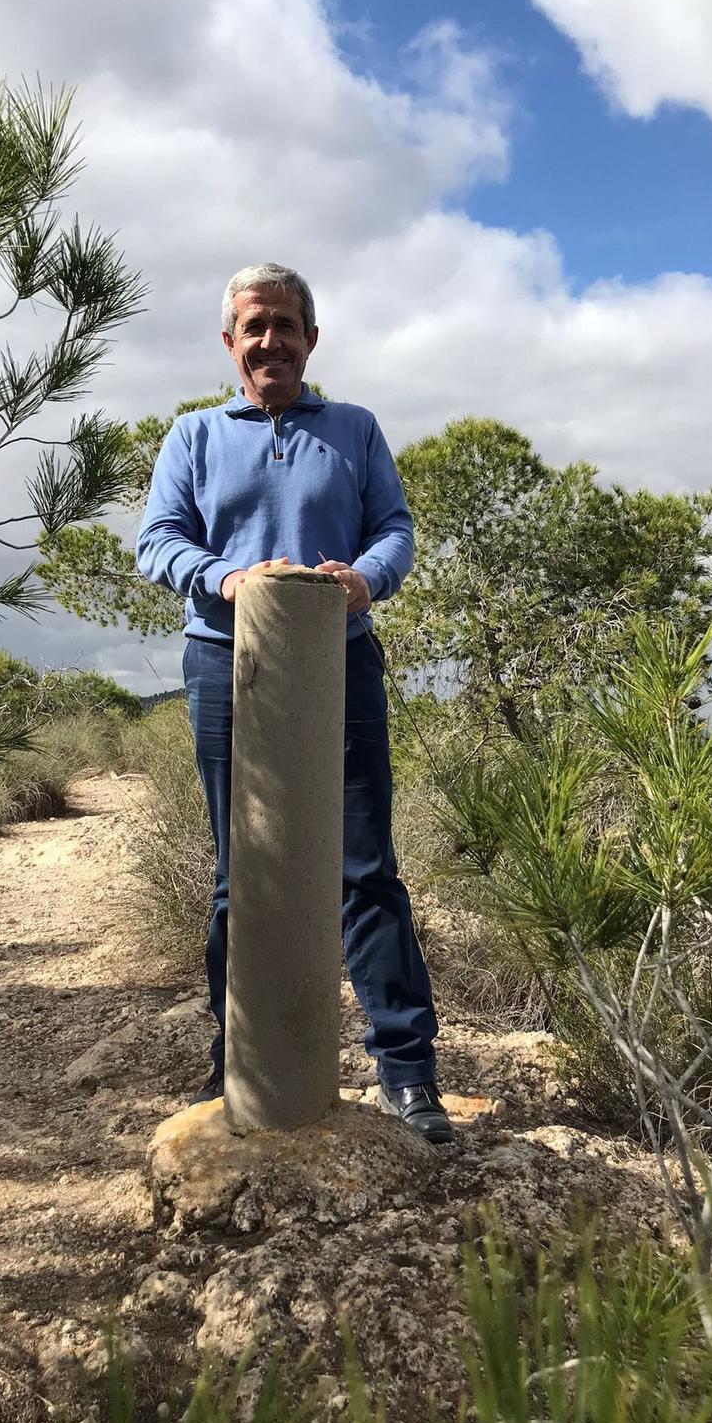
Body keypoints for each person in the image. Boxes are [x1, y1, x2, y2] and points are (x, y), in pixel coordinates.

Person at [136, 262, 452, 1144]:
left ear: (311, 338)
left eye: (285, 324)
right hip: (225, 667)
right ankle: (238, 1066)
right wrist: (228, 578)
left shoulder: (355, 430)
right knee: (241, 874)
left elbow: (395, 529)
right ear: (229, 342)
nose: (270, 340)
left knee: (365, 867)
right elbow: (157, 540)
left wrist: (365, 578)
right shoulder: (193, 436)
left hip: (340, 663)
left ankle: (407, 1072)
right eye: (255, 326)